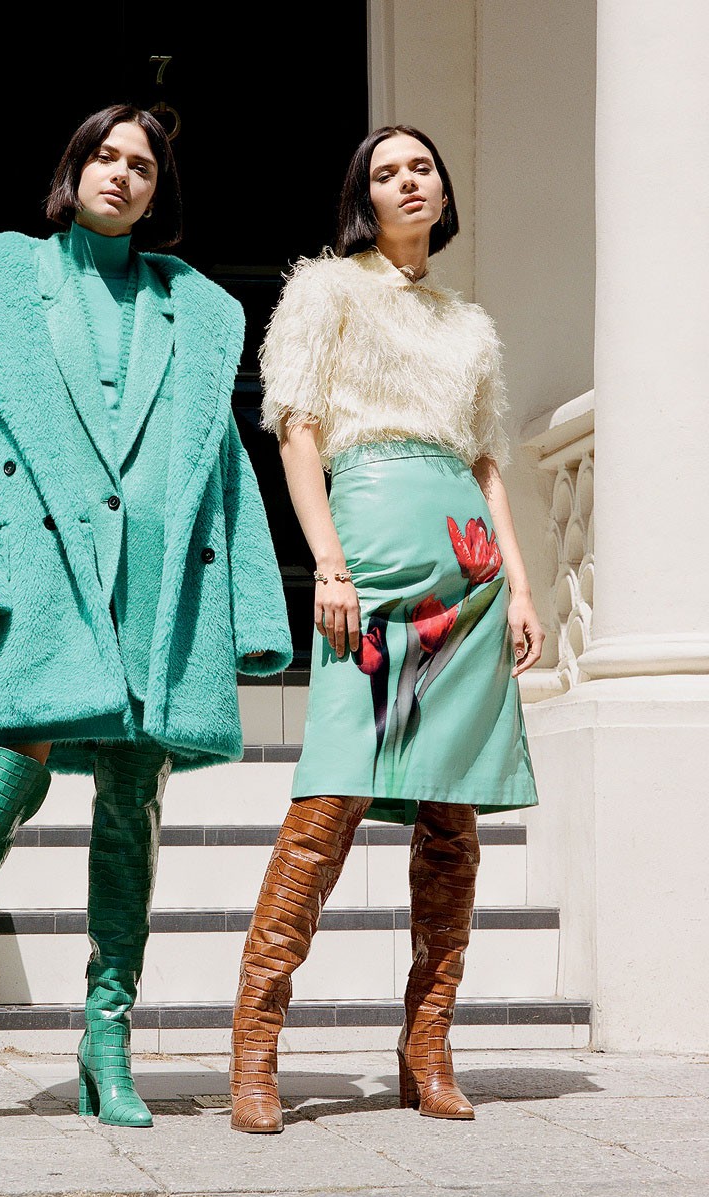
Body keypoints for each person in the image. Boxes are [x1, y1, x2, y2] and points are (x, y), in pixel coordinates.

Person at [0, 103, 292, 1135]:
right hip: (40, 576)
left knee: (134, 803)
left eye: (142, 164)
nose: (121, 173)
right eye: (105, 155)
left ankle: (108, 1038)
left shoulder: (193, 306)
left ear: (157, 192)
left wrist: (248, 604)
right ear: (74, 168)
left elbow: (225, 463)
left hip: (155, 583)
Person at [230, 125, 542, 1132]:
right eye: (386, 171)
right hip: (370, 558)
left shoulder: (469, 325)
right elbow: (297, 431)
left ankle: (428, 1048)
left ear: (444, 193)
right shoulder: (325, 291)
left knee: (451, 815)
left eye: (423, 168)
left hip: (470, 572)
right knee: (330, 798)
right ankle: (256, 1046)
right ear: (363, 195)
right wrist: (327, 563)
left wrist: (522, 586)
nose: (408, 181)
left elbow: (486, 462)